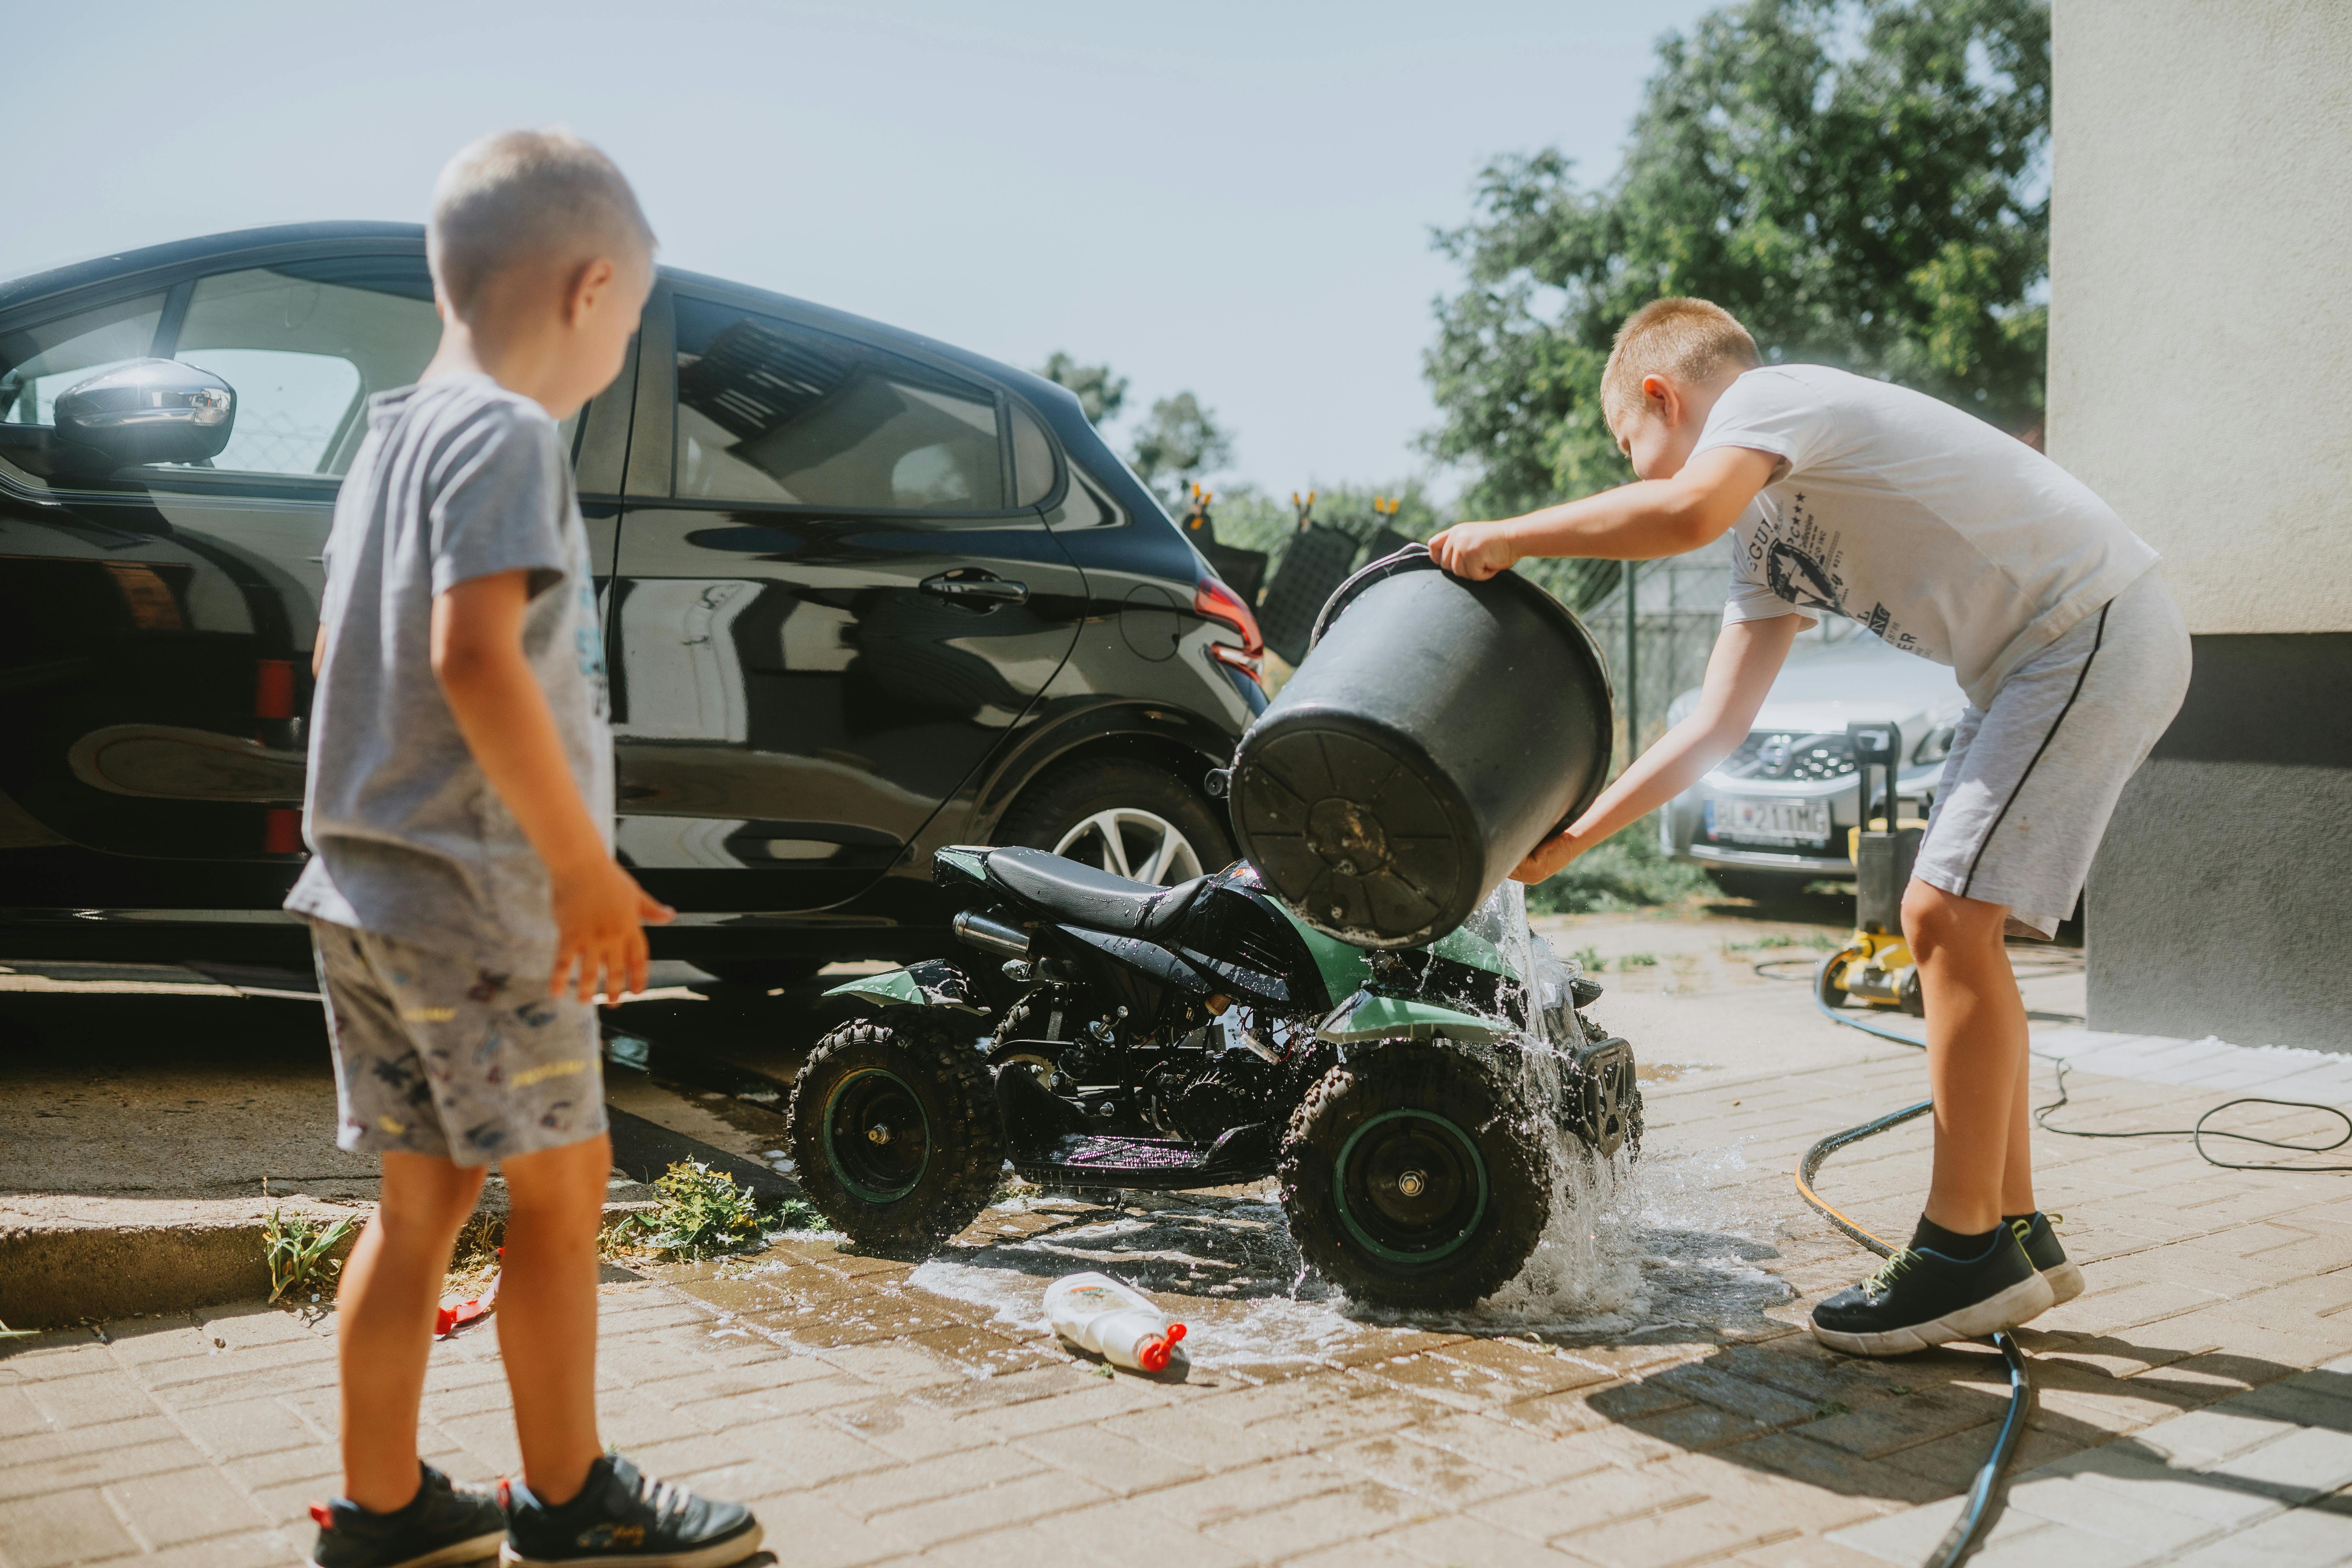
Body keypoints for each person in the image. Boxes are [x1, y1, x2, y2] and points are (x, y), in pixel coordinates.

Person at [1429, 297, 2189, 1356]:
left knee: (1941, 920)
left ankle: (1961, 1246)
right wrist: (1571, 840)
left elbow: (1681, 512)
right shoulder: (1762, 536)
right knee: (1952, 927)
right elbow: (1714, 724)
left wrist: (1507, 537)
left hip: (2083, 629)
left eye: (1628, 446)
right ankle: (2008, 1227)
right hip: (2025, 667)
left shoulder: (1773, 399)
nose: (1637, 468)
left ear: (1662, 395)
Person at [290, 130, 762, 1568]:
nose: (620, 350)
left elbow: (337, 650)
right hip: (480, 891)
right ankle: (572, 1498)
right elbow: (478, 658)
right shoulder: (505, 431)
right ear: (591, 288)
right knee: (563, 1190)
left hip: (361, 882)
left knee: (420, 1200)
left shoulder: (393, 434)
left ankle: (385, 1510)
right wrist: (577, 867)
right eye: (628, 325)